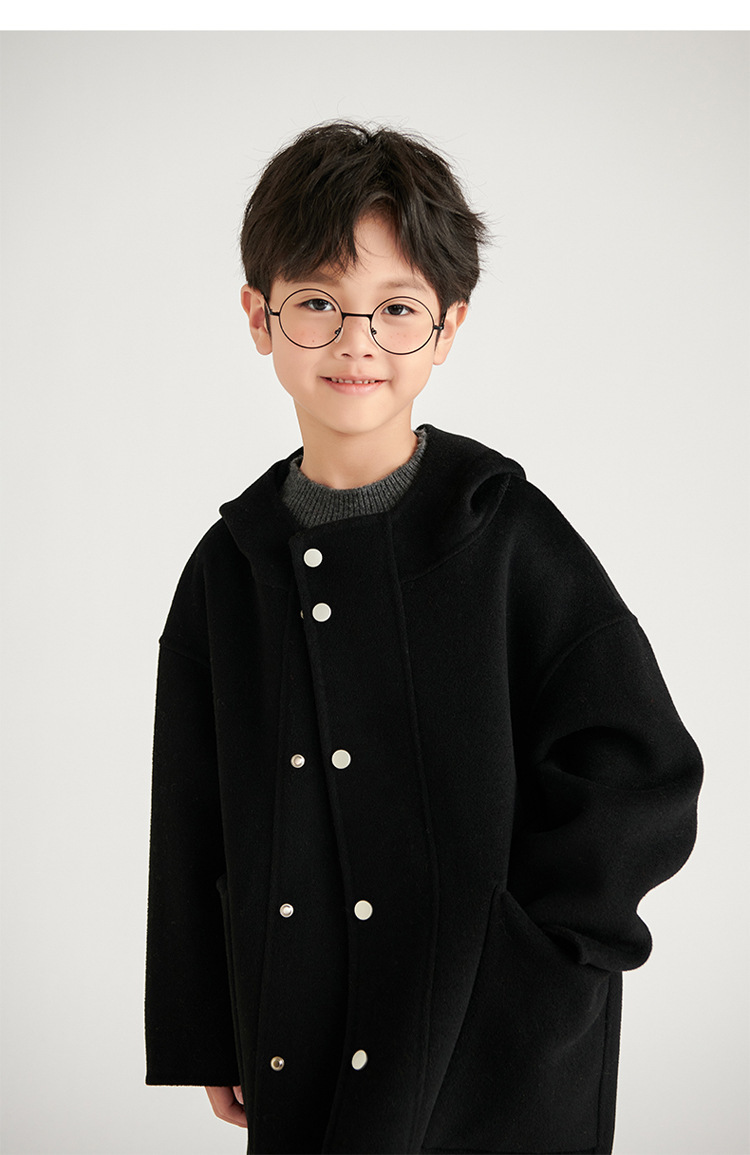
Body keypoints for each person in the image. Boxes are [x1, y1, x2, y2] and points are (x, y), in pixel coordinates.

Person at [145, 122, 703, 1155]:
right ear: (260, 317)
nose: (356, 339)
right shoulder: (229, 565)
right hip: (299, 1021)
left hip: (499, 1044)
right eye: (318, 302)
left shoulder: (504, 533)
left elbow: (638, 763)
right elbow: (191, 809)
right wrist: (207, 1023)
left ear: (447, 329)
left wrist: (540, 953)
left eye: (397, 308)